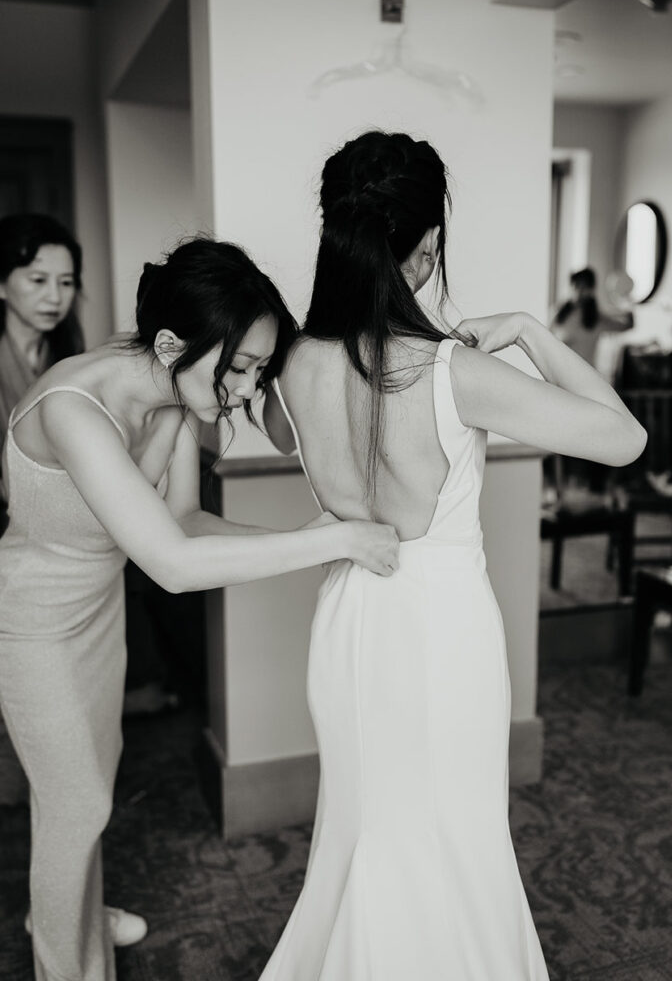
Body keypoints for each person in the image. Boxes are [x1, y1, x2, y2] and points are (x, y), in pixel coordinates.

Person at [261, 130, 647, 980]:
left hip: (350, 619)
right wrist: (530, 333)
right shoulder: (449, 371)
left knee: (362, 823)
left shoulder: (290, 363)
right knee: (451, 834)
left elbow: (268, 427)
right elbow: (624, 437)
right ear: (427, 245)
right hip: (440, 631)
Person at [0, 237, 399, 981]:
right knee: (75, 804)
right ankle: (68, 964)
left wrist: (304, 536)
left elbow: (181, 522)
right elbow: (172, 566)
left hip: (97, 611)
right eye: (240, 368)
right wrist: (332, 540)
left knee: (95, 781)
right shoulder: (71, 408)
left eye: (257, 370)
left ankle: (75, 914)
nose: (248, 391)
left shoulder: (174, 399)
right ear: (170, 342)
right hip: (31, 623)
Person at [0, 213, 85, 533]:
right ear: (2, 285)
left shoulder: (70, 362)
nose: (54, 297)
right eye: (38, 280)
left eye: (66, 282)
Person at [550, 266, 634, 369]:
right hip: (557, 373)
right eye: (576, 285)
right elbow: (546, 342)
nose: (579, 291)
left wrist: (626, 298)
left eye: (584, 287)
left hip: (583, 376)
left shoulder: (597, 319)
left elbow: (627, 325)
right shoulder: (558, 313)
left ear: (591, 290)